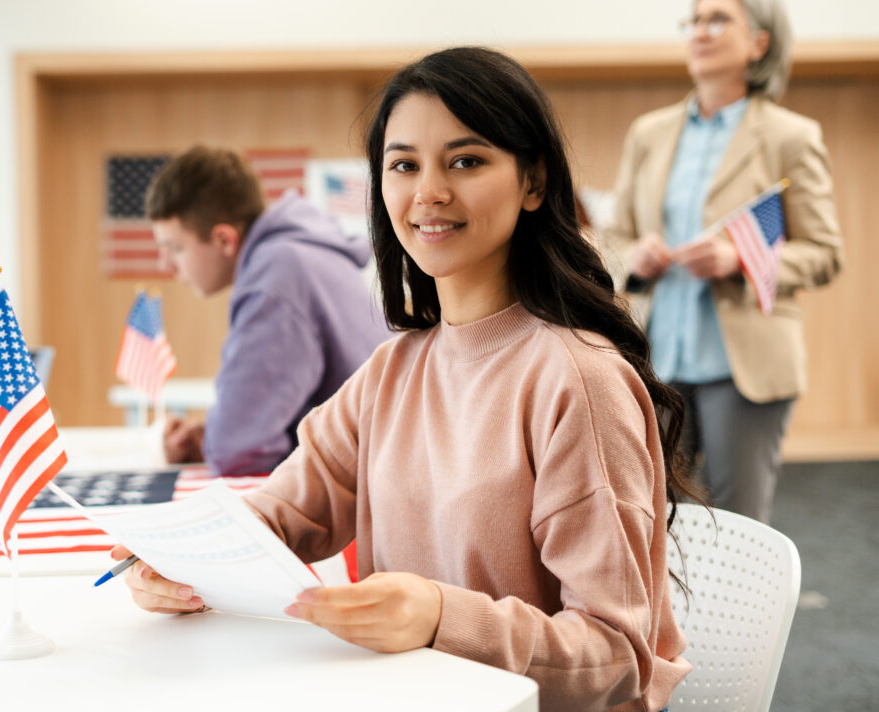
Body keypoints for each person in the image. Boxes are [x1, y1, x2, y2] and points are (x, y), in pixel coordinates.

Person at [115, 47, 699, 712]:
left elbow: (615, 656)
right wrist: (174, 562)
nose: (428, 191)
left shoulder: (579, 380)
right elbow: (281, 513)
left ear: (534, 182)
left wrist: (437, 615)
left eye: (467, 160)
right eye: (403, 165)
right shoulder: (393, 370)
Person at [605, 0, 843, 524]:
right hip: (656, 361)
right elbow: (613, 235)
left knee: (738, 527)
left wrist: (739, 258)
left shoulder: (790, 137)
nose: (700, 31)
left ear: (759, 43)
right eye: (694, 20)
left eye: (718, 20)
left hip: (745, 368)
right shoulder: (649, 133)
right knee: (647, 520)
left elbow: (825, 253)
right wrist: (634, 254)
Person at [145, 146, 390, 476]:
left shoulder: (275, 275)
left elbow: (237, 452)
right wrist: (209, 439)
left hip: (370, 483)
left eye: (175, 248)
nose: (166, 265)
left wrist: (220, 441)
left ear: (224, 240)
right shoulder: (300, 253)